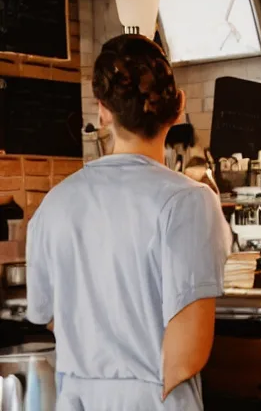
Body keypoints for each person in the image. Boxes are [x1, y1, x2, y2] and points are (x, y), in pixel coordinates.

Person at [26, 34, 231, 410]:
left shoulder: (54, 203)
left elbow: (49, 315)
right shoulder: (190, 201)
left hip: (77, 399)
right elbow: (189, 349)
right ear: (178, 107)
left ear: (103, 110)